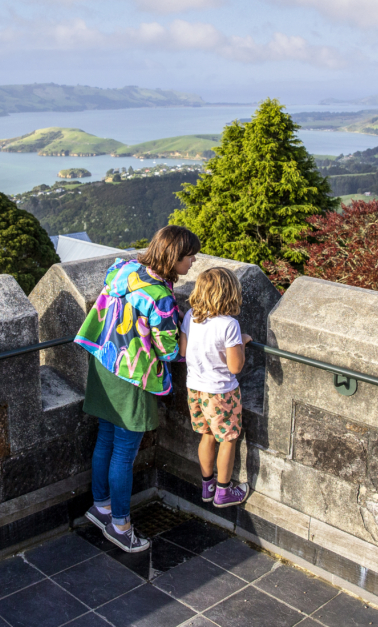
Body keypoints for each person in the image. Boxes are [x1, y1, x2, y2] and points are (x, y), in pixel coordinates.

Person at [74, 225, 200, 552]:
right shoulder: (159, 297)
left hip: (104, 362)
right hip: (133, 374)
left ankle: (100, 507)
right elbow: (171, 351)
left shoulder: (125, 269)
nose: (193, 262)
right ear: (174, 257)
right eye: (189, 257)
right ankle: (120, 525)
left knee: (105, 436)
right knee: (125, 452)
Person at [179, 267, 252, 507]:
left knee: (207, 435)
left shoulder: (191, 315)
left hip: (195, 388)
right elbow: (235, 366)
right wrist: (241, 341)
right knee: (228, 439)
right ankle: (223, 492)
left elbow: (182, 351)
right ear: (230, 293)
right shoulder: (229, 324)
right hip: (221, 392)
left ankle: (207, 485)